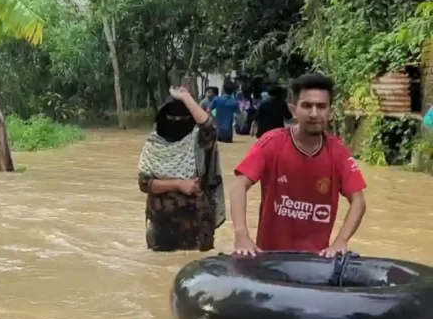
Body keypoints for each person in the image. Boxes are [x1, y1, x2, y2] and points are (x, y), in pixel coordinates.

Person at [230, 73, 367, 258]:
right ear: (293, 110)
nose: (313, 113)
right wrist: (241, 235)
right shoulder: (271, 143)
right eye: (306, 105)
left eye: (321, 106)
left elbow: (358, 201)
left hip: (316, 261)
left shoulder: (339, 152)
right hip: (269, 258)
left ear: (330, 112)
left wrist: (341, 241)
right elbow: (239, 185)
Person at [138, 86, 226, 252]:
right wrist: (178, 184)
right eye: (173, 117)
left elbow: (210, 127)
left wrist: (187, 99)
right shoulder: (153, 144)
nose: (177, 121)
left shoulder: (198, 142)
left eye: (182, 117)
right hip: (160, 225)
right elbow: (144, 183)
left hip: (197, 224)